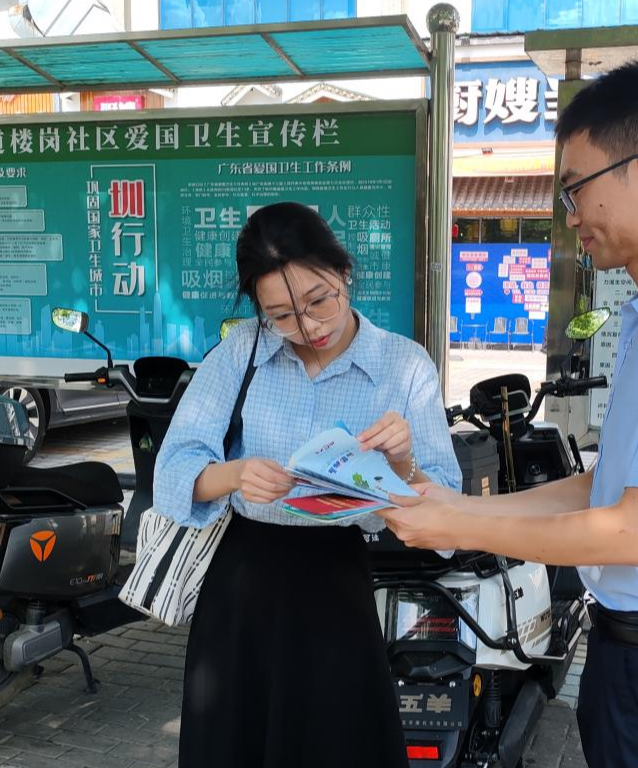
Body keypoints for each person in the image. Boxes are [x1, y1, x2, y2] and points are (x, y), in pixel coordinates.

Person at [379, 60, 638, 768]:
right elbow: (601, 489)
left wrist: (454, 524)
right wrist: (455, 506)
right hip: (631, 654)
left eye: (576, 189)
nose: (572, 217)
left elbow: (631, 532)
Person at [154, 202, 462, 768]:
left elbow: (444, 506)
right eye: (282, 315)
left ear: (343, 271)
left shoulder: (404, 365)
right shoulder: (241, 351)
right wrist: (236, 475)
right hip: (243, 585)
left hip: (334, 585)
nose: (309, 327)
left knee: (332, 740)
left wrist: (403, 464)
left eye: (320, 301)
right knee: (234, 742)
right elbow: (172, 470)